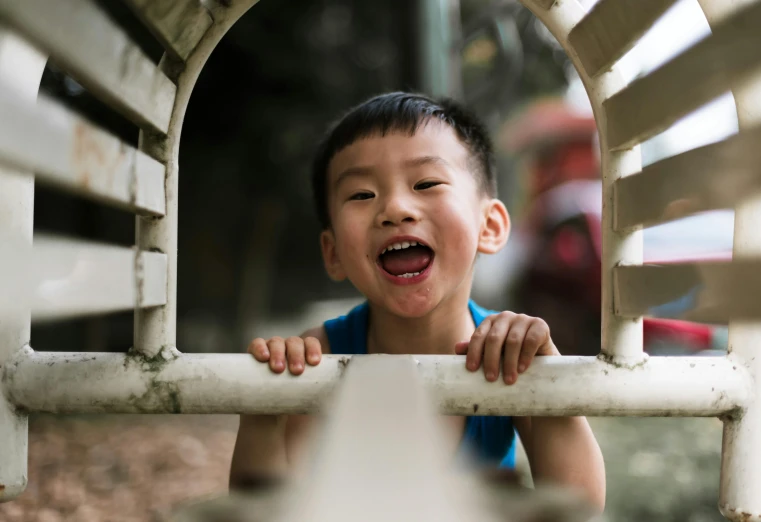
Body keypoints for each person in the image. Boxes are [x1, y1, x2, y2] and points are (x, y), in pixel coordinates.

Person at [229, 92, 605, 510]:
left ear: (490, 225)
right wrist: (264, 410)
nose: (395, 208)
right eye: (361, 195)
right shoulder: (318, 358)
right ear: (333, 252)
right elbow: (260, 510)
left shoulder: (509, 356)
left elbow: (579, 506)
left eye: (426, 183)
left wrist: (549, 379)